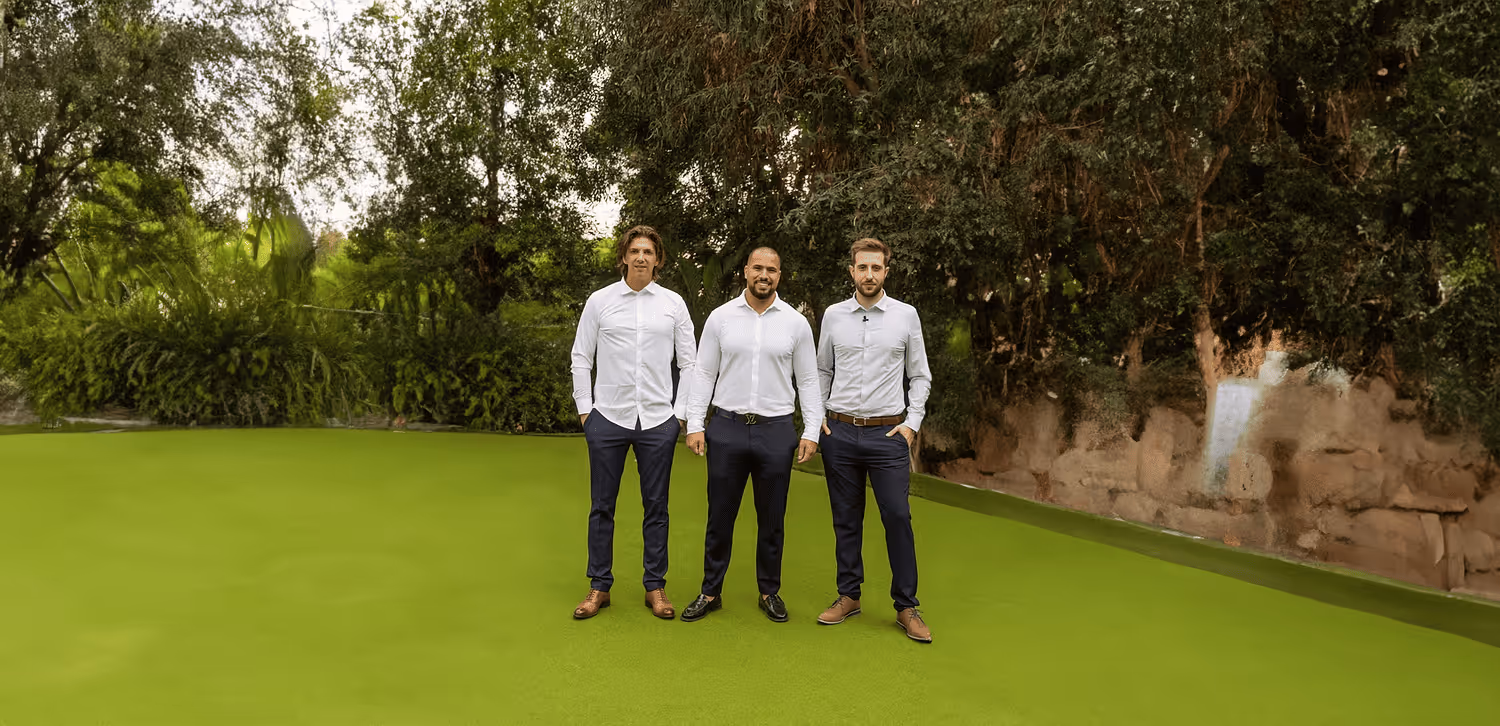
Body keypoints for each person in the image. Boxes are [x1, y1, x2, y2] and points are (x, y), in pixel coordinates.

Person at [679, 247, 822, 623]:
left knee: (772, 518)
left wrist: (811, 430)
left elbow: (808, 380)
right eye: (757, 267)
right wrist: (696, 422)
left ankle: (769, 591)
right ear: (745, 271)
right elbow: (704, 372)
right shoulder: (721, 318)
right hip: (726, 427)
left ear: (779, 275)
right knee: (720, 515)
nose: (764, 274)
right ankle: (711, 591)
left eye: (771, 269)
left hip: (776, 431)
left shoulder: (795, 323)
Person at [569, 225, 697, 621]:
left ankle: (654, 587)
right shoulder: (600, 301)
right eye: (634, 250)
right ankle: (598, 587)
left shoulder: (673, 304)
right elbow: (581, 356)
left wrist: (679, 415)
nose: (641, 257)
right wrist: (586, 411)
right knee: (601, 506)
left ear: (658, 258)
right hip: (607, 417)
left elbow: (689, 362)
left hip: (658, 419)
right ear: (623, 256)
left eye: (648, 251)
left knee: (656, 506)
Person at [814, 237, 934, 643]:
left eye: (876, 268)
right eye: (861, 268)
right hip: (840, 432)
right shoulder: (833, 316)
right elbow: (822, 371)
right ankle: (849, 595)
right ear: (851, 271)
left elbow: (919, 375)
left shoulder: (906, 316)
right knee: (846, 519)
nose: (868, 275)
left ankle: (906, 605)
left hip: (888, 435)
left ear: (886, 271)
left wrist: (911, 424)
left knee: (897, 516)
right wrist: (818, 420)